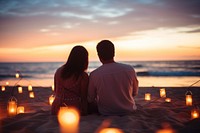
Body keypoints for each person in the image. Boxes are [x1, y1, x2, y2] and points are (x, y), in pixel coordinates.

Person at [88, 40, 139, 115]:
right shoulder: (129, 69)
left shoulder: (94, 74)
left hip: (106, 112)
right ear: (114, 53)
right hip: (129, 110)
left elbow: (90, 98)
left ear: (99, 55)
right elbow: (134, 93)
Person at [51, 45, 89, 115]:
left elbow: (56, 90)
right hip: (73, 109)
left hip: (56, 108)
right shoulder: (83, 75)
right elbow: (84, 97)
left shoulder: (59, 71)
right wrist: (85, 111)